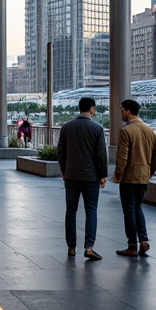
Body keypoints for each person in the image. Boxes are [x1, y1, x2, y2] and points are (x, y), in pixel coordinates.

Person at [57, 96, 108, 261]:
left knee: (70, 210)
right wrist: (102, 174)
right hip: (91, 177)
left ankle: (71, 247)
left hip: (71, 175)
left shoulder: (67, 127)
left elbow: (61, 152)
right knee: (91, 211)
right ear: (92, 109)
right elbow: (101, 154)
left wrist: (64, 170)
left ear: (80, 108)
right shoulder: (97, 128)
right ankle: (89, 247)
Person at [112, 99, 156, 257]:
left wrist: (118, 174)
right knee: (138, 208)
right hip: (143, 177)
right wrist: (148, 172)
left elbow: (122, 158)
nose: (121, 113)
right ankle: (144, 240)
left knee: (129, 211)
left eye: (121, 110)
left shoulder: (127, 131)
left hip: (129, 178)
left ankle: (132, 246)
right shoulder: (150, 131)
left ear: (128, 111)